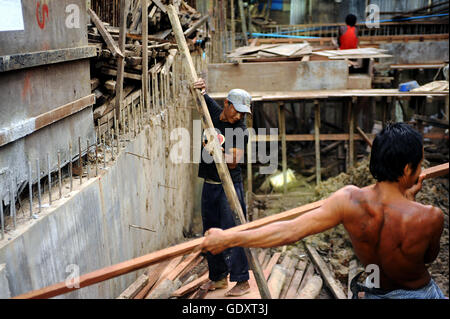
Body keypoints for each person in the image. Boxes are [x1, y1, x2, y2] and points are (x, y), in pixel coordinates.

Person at [200, 122, 446, 299]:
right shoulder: (430, 216)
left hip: (374, 292)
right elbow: (426, 259)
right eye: (419, 164)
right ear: (406, 170)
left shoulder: (349, 200)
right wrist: (409, 201)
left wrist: (227, 237)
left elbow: (289, 230)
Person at [193, 78, 252, 297]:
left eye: (243, 113)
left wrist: (214, 150)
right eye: (237, 111)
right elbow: (201, 95)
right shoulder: (215, 112)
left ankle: (242, 280)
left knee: (233, 232)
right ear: (226, 104)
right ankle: (218, 278)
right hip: (210, 185)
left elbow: (234, 160)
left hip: (230, 187)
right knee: (210, 232)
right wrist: (200, 86)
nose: (239, 116)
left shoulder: (241, 129)